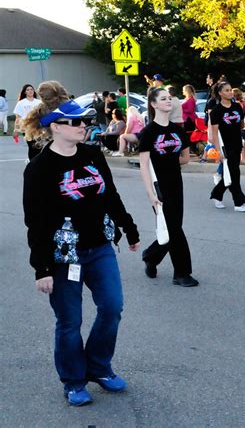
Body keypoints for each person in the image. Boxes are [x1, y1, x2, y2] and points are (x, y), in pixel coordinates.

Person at [22, 80, 140, 406]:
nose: (83, 126)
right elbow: (36, 223)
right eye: (75, 122)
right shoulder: (39, 169)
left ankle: (99, 367)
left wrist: (128, 227)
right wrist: (41, 267)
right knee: (70, 322)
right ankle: (74, 380)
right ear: (55, 127)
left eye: (84, 121)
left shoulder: (92, 155)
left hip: (100, 246)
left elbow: (110, 196)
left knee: (112, 307)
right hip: (63, 256)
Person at [138, 87, 199, 287]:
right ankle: (181, 273)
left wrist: (170, 161)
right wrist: (150, 193)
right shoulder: (148, 132)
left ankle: (151, 256)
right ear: (154, 104)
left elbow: (185, 159)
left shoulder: (177, 130)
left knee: (174, 227)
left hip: (176, 184)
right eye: (163, 98)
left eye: (170, 98)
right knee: (174, 228)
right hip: (159, 187)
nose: (168, 101)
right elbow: (144, 165)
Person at [210, 82, 245, 212]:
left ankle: (216, 194)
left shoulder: (237, 107)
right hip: (225, 145)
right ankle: (238, 203)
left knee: (233, 172)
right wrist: (218, 150)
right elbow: (215, 133)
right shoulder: (216, 111)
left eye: (230, 90)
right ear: (220, 93)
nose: (230, 92)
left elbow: (242, 124)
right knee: (234, 173)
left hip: (237, 143)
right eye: (226, 90)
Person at [13, 84, 42, 159]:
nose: (30, 91)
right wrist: (15, 129)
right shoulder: (21, 103)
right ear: (25, 92)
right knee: (32, 146)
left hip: (38, 127)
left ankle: (36, 164)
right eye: (28, 90)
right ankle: (32, 164)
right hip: (26, 128)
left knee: (39, 146)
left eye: (31, 89)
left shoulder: (39, 102)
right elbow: (18, 118)